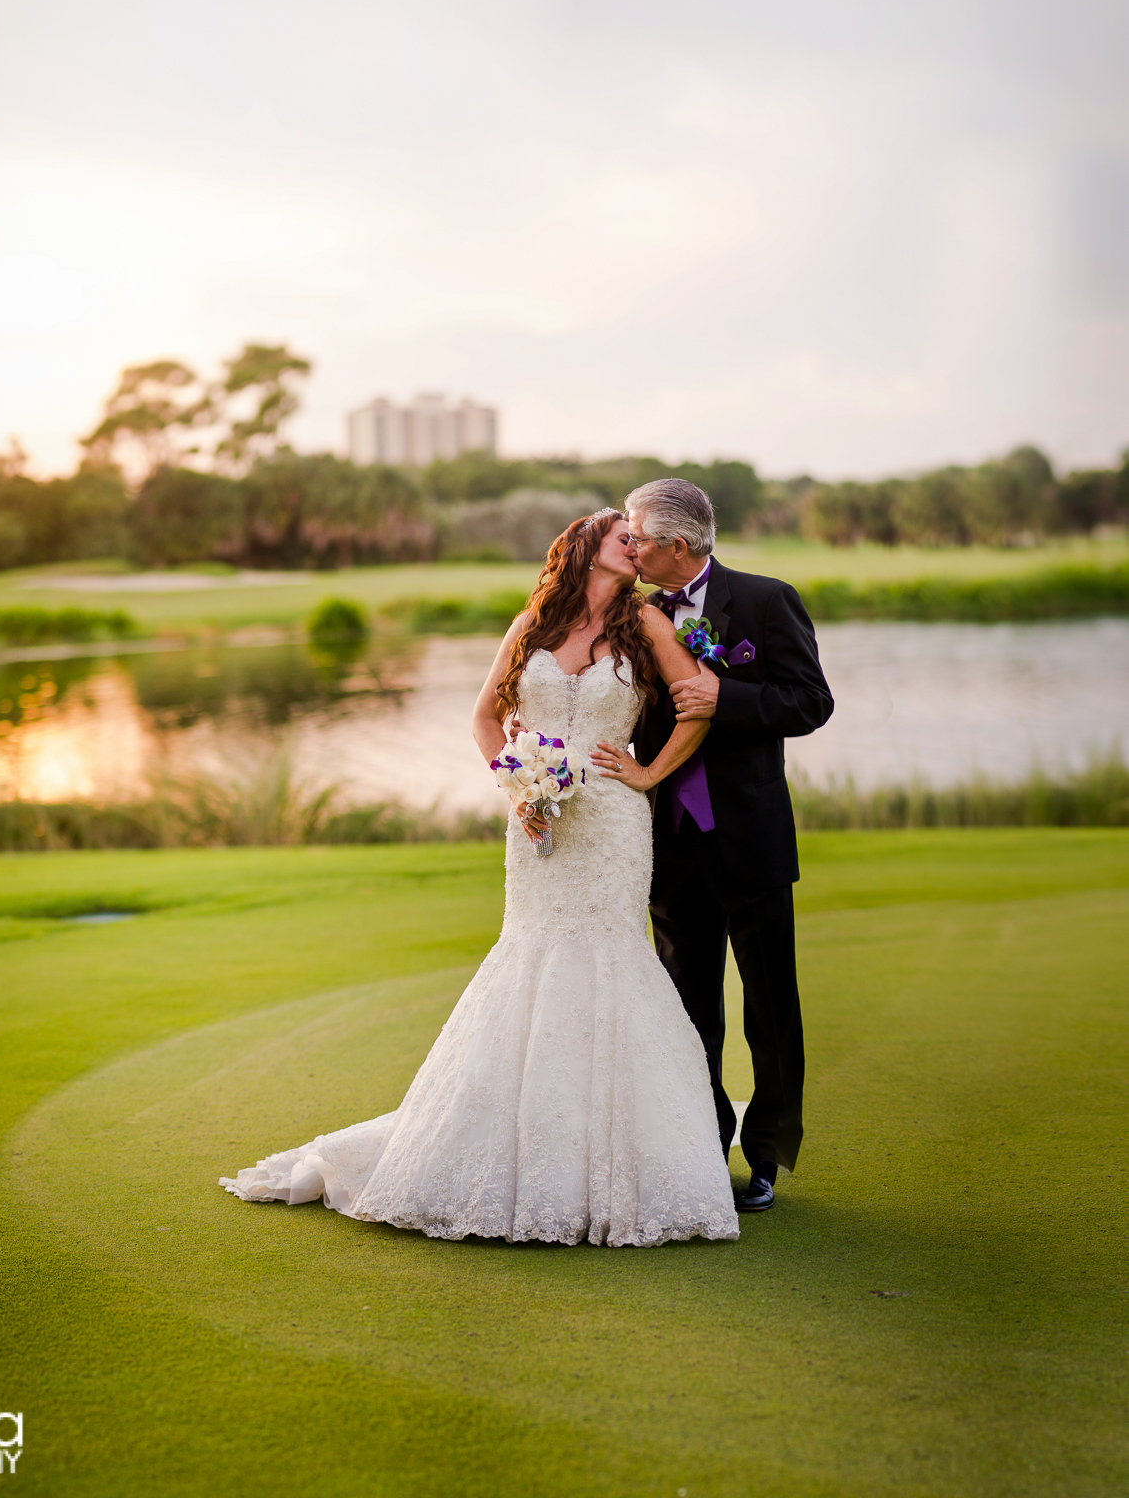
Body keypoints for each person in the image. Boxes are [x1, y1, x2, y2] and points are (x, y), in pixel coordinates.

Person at [222, 509, 739, 1247]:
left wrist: (649, 772)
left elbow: (698, 703)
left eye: (640, 538)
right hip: (537, 825)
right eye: (623, 537)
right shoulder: (533, 621)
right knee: (529, 961)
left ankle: (621, 1165)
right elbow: (485, 720)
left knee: (611, 961)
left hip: (615, 824)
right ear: (586, 548)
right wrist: (519, 789)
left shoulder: (646, 624)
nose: (638, 545)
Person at [625, 478, 834, 1212]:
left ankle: (769, 1154)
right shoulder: (637, 616)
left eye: (636, 535)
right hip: (669, 846)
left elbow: (809, 703)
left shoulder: (766, 600)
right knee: (686, 1010)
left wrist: (727, 698)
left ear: (675, 546)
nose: (628, 545)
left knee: (769, 1006)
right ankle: (701, 1141)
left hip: (749, 839)